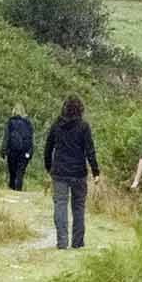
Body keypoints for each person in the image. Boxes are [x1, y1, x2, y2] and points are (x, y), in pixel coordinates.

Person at [43, 95, 100, 248]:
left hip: (59, 172)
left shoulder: (56, 125)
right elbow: (90, 151)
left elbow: (48, 148)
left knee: (60, 204)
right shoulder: (84, 126)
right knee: (78, 207)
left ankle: (62, 242)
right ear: (81, 109)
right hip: (78, 173)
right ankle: (78, 242)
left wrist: (49, 168)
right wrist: (96, 172)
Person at [4, 104, 35, 191]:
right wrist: (30, 151)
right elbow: (30, 138)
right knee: (20, 173)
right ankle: (18, 191)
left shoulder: (10, 122)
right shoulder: (28, 123)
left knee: (12, 173)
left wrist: (4, 150)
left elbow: (6, 137)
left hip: (12, 151)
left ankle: (11, 189)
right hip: (24, 151)